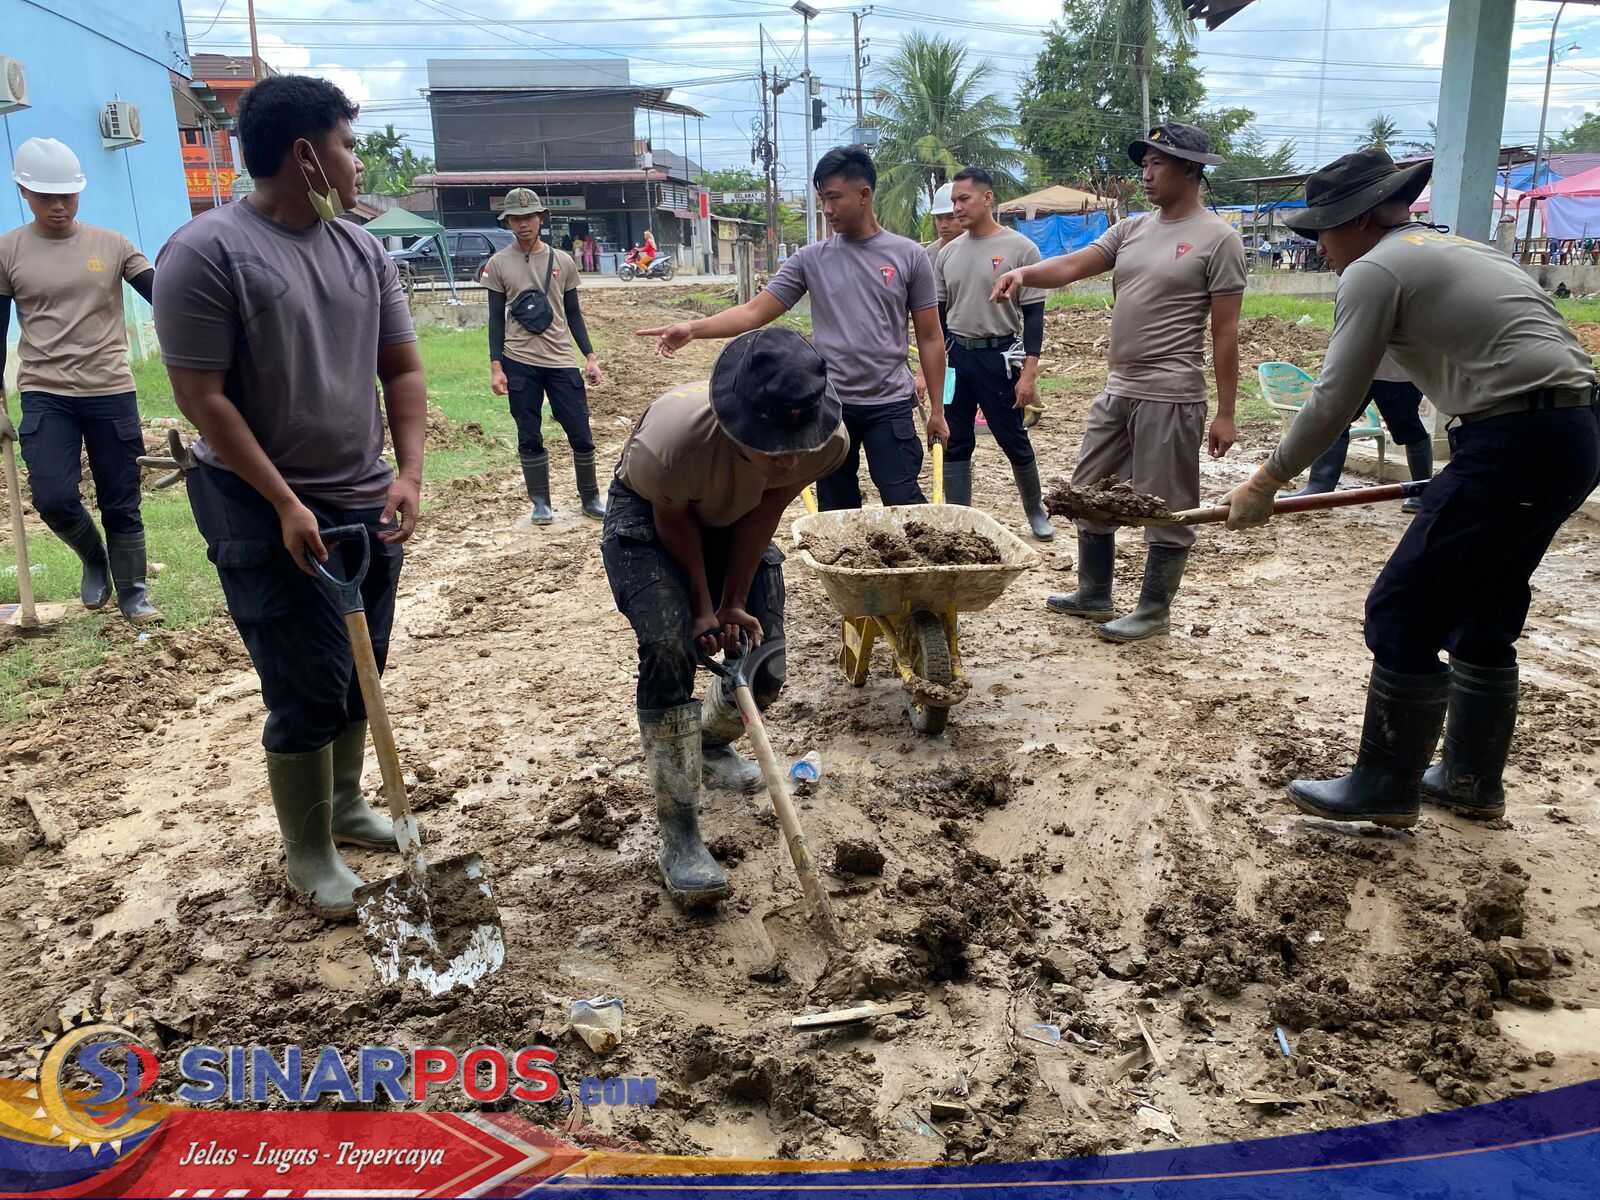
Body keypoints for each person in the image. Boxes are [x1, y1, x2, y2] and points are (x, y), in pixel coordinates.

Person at [1223, 148, 1600, 829]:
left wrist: (1267, 479)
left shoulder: (1376, 268)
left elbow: (1334, 397)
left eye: (1324, 233)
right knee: (1485, 605)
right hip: (1573, 431)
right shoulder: (1453, 249)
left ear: (1363, 220)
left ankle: (1386, 788)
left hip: (1515, 441)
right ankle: (1469, 780)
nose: (1321, 248)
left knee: (1401, 609)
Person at [154, 75, 429, 919]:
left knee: (360, 664)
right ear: (306, 153)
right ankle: (306, 852)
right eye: (348, 145)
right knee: (303, 682)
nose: (355, 163)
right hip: (256, 501)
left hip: (362, 495)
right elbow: (203, 398)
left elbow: (404, 369)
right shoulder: (205, 253)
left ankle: (346, 805)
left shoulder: (362, 249)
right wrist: (281, 501)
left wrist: (408, 473)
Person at [602, 329, 848, 907]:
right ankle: (680, 832)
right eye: (773, 444)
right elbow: (675, 524)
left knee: (765, 667)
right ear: (739, 425)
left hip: (738, 520)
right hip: (654, 522)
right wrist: (701, 607)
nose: (789, 456)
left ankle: (709, 743)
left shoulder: (824, 441)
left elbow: (769, 504)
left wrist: (733, 599)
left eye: (797, 443)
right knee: (669, 649)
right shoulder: (671, 442)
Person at [994, 123, 1245, 641]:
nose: (1147, 174)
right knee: (1087, 488)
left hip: (1172, 391)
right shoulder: (1131, 229)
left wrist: (1225, 412)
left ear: (1191, 170)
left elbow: (1225, 333)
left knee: (1167, 504)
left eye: (1158, 164)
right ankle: (1094, 593)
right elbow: (1070, 266)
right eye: (1145, 164)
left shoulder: (1219, 239)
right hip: (1119, 386)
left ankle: (1154, 610)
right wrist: (1025, 275)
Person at [639, 145, 948, 510]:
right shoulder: (810, 260)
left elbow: (930, 336)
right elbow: (754, 312)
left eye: (834, 198)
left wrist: (938, 411)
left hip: (890, 404)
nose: (827, 210)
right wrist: (693, 329)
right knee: (836, 509)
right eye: (822, 200)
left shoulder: (909, 256)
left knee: (904, 503)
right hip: (829, 408)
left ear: (864, 194)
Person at [0, 137, 161, 624]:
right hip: (46, 392)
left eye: (67, 196)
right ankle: (95, 558)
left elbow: (165, 294)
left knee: (121, 497)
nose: (58, 206)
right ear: (24, 192)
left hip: (110, 388)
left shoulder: (111, 244)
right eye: (46, 196)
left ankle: (133, 590)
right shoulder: (8, 250)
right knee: (52, 496)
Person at [937, 165, 1053, 540]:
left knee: (1011, 436)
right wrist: (933, 370)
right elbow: (936, 323)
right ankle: (960, 520)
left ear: (987, 198)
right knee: (955, 439)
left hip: (999, 355)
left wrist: (1029, 373)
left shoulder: (1021, 249)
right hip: (957, 356)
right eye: (954, 201)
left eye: (964, 199)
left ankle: (1036, 511)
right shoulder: (946, 254)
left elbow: (1034, 317)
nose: (957, 208)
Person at [484, 187, 605, 524]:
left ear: (541, 219)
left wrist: (590, 357)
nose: (523, 224)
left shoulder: (563, 261)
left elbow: (574, 313)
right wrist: (496, 367)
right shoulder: (497, 264)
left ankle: (591, 497)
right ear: (508, 222)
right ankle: (541, 502)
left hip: (561, 359)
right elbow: (495, 319)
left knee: (580, 430)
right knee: (529, 432)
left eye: (529, 217)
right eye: (516, 218)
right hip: (519, 360)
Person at [1289, 350, 1433, 513]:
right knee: (1334, 422)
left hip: (1397, 372)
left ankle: (1421, 490)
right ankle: (1320, 487)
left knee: (1408, 429)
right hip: (1355, 369)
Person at [912, 181, 963, 410]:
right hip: (942, 336)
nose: (943, 224)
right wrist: (922, 371)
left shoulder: (980, 251)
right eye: (939, 218)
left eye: (949, 218)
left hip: (976, 340)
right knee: (948, 403)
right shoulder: (928, 255)